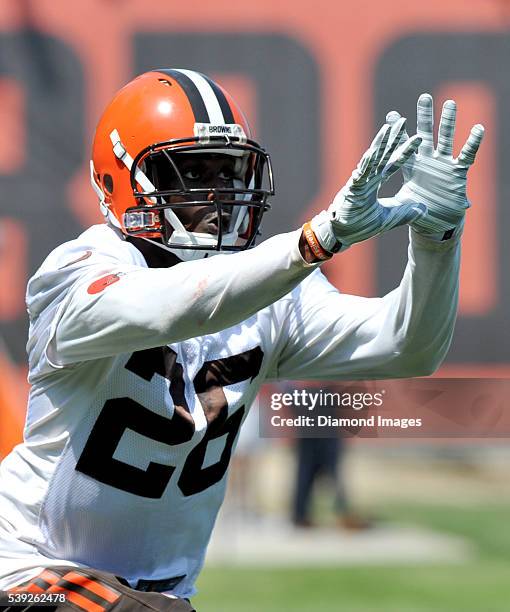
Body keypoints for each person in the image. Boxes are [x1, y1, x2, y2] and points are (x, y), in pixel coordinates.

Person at [0, 68, 483, 610]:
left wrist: (438, 241)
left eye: (229, 172)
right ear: (121, 180)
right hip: (27, 567)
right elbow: (173, 307)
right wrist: (312, 242)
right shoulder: (75, 271)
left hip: (161, 594)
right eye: (189, 173)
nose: (218, 193)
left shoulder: (268, 289)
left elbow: (408, 346)